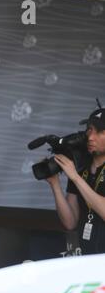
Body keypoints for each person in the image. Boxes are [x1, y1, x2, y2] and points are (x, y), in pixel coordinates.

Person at [47, 108, 105, 255]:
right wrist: (55, 184)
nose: (91, 137)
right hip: (87, 259)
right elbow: (70, 222)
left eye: (100, 131)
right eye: (89, 130)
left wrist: (75, 177)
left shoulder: (76, 175)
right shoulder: (81, 169)